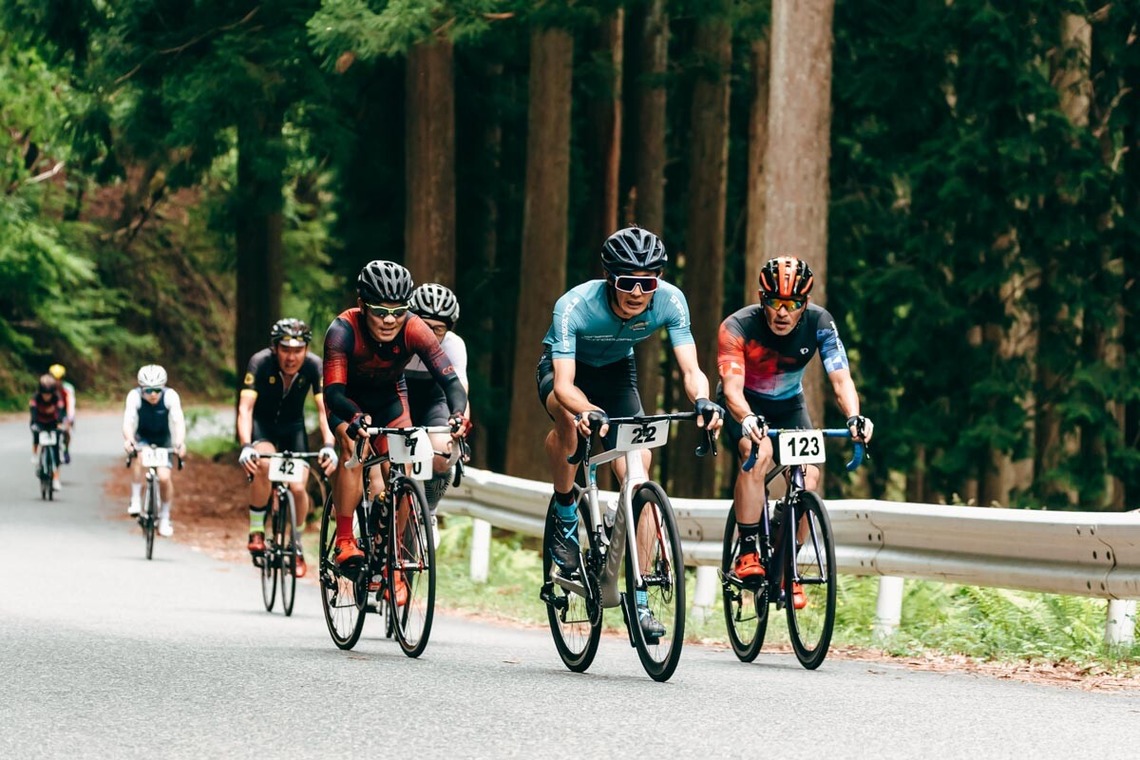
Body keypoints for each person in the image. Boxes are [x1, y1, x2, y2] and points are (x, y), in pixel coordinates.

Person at [536, 224, 723, 640]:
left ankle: (639, 600)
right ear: (609, 279)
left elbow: (691, 369)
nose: (638, 292)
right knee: (569, 423)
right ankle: (567, 514)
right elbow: (565, 386)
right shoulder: (575, 306)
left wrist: (703, 401)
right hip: (567, 372)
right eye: (627, 282)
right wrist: (587, 410)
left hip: (618, 374)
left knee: (640, 473)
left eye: (647, 282)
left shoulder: (671, 301)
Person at [716, 256, 873, 601]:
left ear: (806, 304)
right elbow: (731, 389)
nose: (783, 313)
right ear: (762, 299)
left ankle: (788, 563)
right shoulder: (737, 326)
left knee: (809, 477)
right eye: (775, 302)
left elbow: (840, 378)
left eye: (793, 304)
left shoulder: (820, 322)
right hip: (744, 403)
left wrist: (854, 417)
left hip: (789, 406)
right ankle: (747, 550)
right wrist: (746, 418)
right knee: (758, 453)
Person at [323, 260, 469, 603]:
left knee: (403, 469)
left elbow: (450, 380)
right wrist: (354, 417)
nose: (390, 319)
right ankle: (345, 539)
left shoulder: (415, 328)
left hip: (390, 398)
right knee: (353, 451)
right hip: (348, 400)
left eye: (398, 311)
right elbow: (333, 394)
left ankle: (395, 564)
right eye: (379, 311)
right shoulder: (342, 330)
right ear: (362, 305)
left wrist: (459, 413)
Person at [238, 318, 338, 579]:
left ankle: (295, 543)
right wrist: (247, 445)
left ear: (306, 349)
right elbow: (245, 408)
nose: (291, 357)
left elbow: (324, 410)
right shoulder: (259, 362)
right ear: (275, 348)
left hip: (293, 429)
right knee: (263, 465)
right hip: (264, 427)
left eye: (297, 350)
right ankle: (257, 529)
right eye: (285, 349)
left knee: (297, 487)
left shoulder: (315, 366)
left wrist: (329, 444)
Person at [405, 283, 470, 546]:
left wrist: (460, 424)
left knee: (443, 455)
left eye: (438, 329)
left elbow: (460, 390)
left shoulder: (454, 345)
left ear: (449, 329)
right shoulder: (399, 338)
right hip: (400, 398)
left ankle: (429, 510)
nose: (430, 335)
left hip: (434, 399)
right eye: (424, 325)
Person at [123, 364, 186, 538]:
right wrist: (129, 440)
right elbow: (128, 421)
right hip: (143, 437)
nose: (152, 395)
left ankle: (165, 516)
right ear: (141, 388)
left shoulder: (170, 396)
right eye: (148, 390)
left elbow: (178, 421)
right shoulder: (134, 396)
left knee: (165, 477)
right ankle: (135, 498)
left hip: (162, 439)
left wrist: (180, 443)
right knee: (139, 457)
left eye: (157, 390)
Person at [29, 374, 67, 491]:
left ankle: (55, 479)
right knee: (36, 434)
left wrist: (60, 423)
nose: (47, 397)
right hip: (39, 422)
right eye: (44, 394)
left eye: (49, 394)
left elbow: (61, 411)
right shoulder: (35, 398)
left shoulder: (57, 397)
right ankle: (35, 455)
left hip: (53, 423)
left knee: (55, 450)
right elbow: (33, 411)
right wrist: (34, 423)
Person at [48, 364, 76, 463]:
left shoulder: (68, 388)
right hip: (50, 413)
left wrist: (69, 419)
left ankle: (66, 450)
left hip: (64, 413)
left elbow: (71, 404)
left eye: (59, 378)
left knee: (66, 431)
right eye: (54, 378)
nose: (56, 381)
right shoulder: (46, 387)